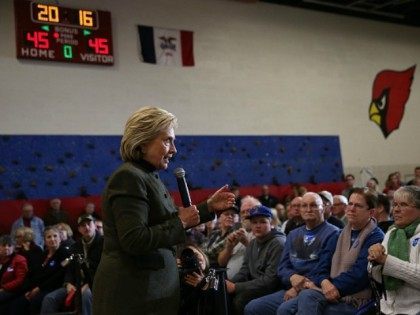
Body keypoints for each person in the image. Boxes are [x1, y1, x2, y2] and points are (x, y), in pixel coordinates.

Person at [92, 107, 236, 315]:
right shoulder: (129, 177)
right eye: (167, 140)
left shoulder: (147, 175)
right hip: (133, 294)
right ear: (142, 142)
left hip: (148, 291)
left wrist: (208, 207)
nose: (174, 149)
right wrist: (182, 223)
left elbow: (167, 218)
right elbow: (134, 239)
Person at [284, 188, 384, 315]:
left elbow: (359, 274)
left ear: (371, 212)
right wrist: (324, 283)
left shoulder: (375, 236)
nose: (351, 209)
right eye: (350, 204)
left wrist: (329, 286)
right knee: (286, 309)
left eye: (358, 206)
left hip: (357, 298)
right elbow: (322, 265)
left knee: (308, 298)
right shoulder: (339, 234)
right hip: (329, 288)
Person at [244, 192, 340, 315]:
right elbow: (282, 267)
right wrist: (291, 277)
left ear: (324, 208)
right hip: (289, 288)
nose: (309, 209)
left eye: (314, 205)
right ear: (300, 210)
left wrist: (297, 287)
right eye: (304, 206)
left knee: (284, 310)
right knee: (252, 308)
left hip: (314, 289)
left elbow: (325, 269)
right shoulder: (293, 234)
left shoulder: (333, 233)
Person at [368, 185, 420, 315]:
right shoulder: (392, 233)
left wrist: (386, 260)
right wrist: (375, 258)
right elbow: (379, 278)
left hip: (414, 310)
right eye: (395, 204)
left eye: (403, 205)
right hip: (388, 308)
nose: (396, 210)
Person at [226, 205, 286, 315]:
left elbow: (271, 281)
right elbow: (244, 270)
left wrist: (236, 287)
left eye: (262, 222)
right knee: (224, 295)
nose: (258, 226)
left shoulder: (278, 243)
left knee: (240, 299)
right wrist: (230, 283)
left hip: (275, 289)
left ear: (271, 224)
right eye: (254, 222)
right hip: (258, 286)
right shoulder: (253, 242)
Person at [41, 214, 103, 315]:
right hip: (76, 283)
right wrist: (68, 283)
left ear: (95, 225)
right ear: (79, 229)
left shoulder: (103, 243)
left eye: (89, 224)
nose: (86, 227)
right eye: (83, 225)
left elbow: (101, 269)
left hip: (95, 283)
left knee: (85, 296)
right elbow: (70, 267)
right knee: (49, 298)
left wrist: (88, 284)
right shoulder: (76, 245)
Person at [9, 226, 71, 314]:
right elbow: (35, 273)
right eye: (49, 237)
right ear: (45, 241)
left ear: (60, 238)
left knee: (35, 302)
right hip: (38, 287)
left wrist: (38, 289)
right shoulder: (44, 254)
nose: (52, 239)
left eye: (55, 236)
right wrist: (30, 289)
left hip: (53, 287)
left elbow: (58, 276)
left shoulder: (64, 253)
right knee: (17, 302)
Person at [218, 195, 259, 279]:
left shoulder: (263, 232)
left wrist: (246, 242)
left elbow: (262, 260)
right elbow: (221, 263)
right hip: (229, 282)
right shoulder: (237, 232)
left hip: (249, 283)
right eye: (242, 212)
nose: (245, 214)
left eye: (249, 210)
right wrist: (229, 248)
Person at [0, 235, 28, 309]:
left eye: (9, 245)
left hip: (13, 290)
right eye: (3, 245)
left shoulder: (19, 259)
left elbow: (20, 280)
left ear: (14, 247)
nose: (6, 248)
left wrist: (3, 288)